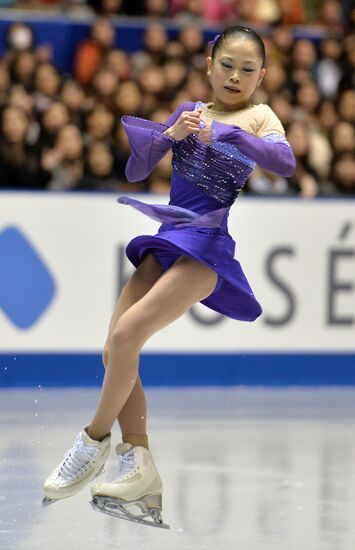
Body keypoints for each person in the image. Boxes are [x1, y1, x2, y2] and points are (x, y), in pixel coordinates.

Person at [42, 26, 296, 527]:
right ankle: (140, 467)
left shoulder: (258, 116)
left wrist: (226, 133)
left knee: (126, 333)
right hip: (169, 239)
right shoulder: (190, 111)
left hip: (207, 249)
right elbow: (137, 170)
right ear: (209, 64)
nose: (236, 76)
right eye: (227, 65)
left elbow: (283, 162)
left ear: (262, 76)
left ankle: (93, 441)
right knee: (114, 349)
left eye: (248, 69)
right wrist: (168, 136)